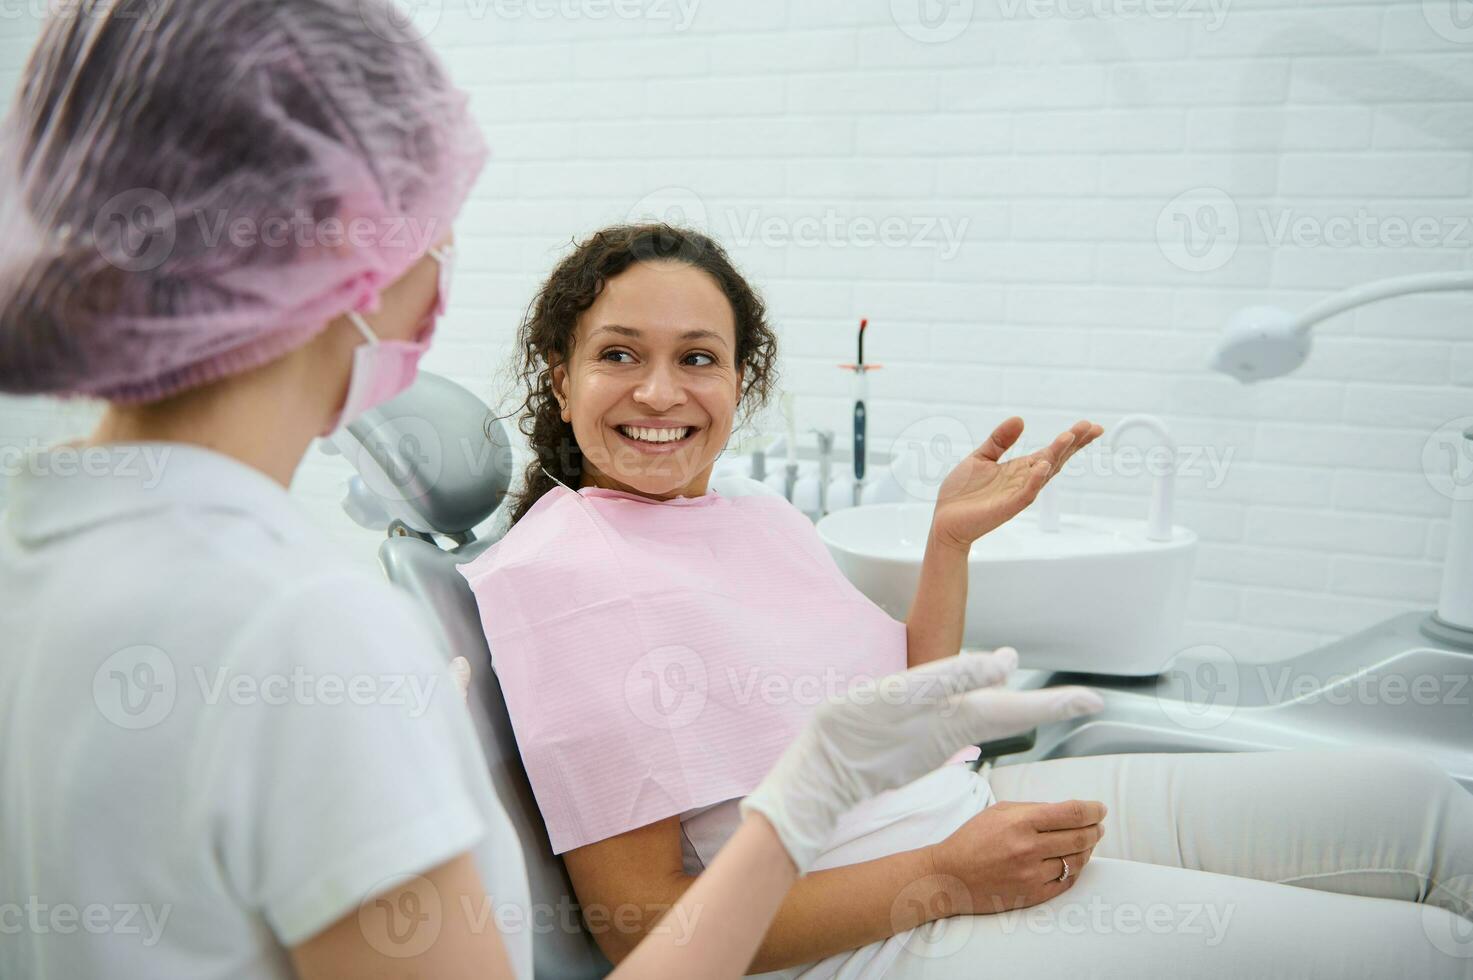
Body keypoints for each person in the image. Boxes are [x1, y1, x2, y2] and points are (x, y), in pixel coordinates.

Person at [0, 3, 1107, 979]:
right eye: (435, 221)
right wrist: (809, 803)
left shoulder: (47, 566)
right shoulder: (308, 629)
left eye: (701, 357)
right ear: (355, 251)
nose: (444, 263)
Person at [463, 221, 1473, 979]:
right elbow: (645, 927)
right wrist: (947, 875)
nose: (658, 391)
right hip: (873, 930)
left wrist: (949, 542)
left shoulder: (750, 513)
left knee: (1428, 808)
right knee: (1423, 948)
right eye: (618, 353)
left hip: (969, 814)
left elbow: (909, 708)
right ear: (560, 376)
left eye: (696, 357)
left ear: (739, 379)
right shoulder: (560, 579)